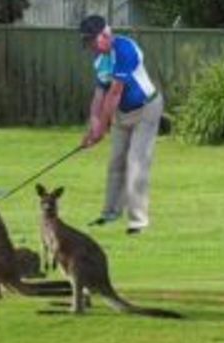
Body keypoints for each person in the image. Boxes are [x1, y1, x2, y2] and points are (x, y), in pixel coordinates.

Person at [79, 14, 163, 235]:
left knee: (136, 162)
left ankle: (138, 221)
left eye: (91, 41)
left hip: (146, 109)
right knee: (116, 161)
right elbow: (99, 95)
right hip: (122, 113)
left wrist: (102, 128)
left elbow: (115, 92)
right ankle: (111, 212)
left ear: (104, 34)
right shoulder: (101, 60)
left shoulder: (125, 49)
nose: (90, 47)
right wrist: (93, 127)